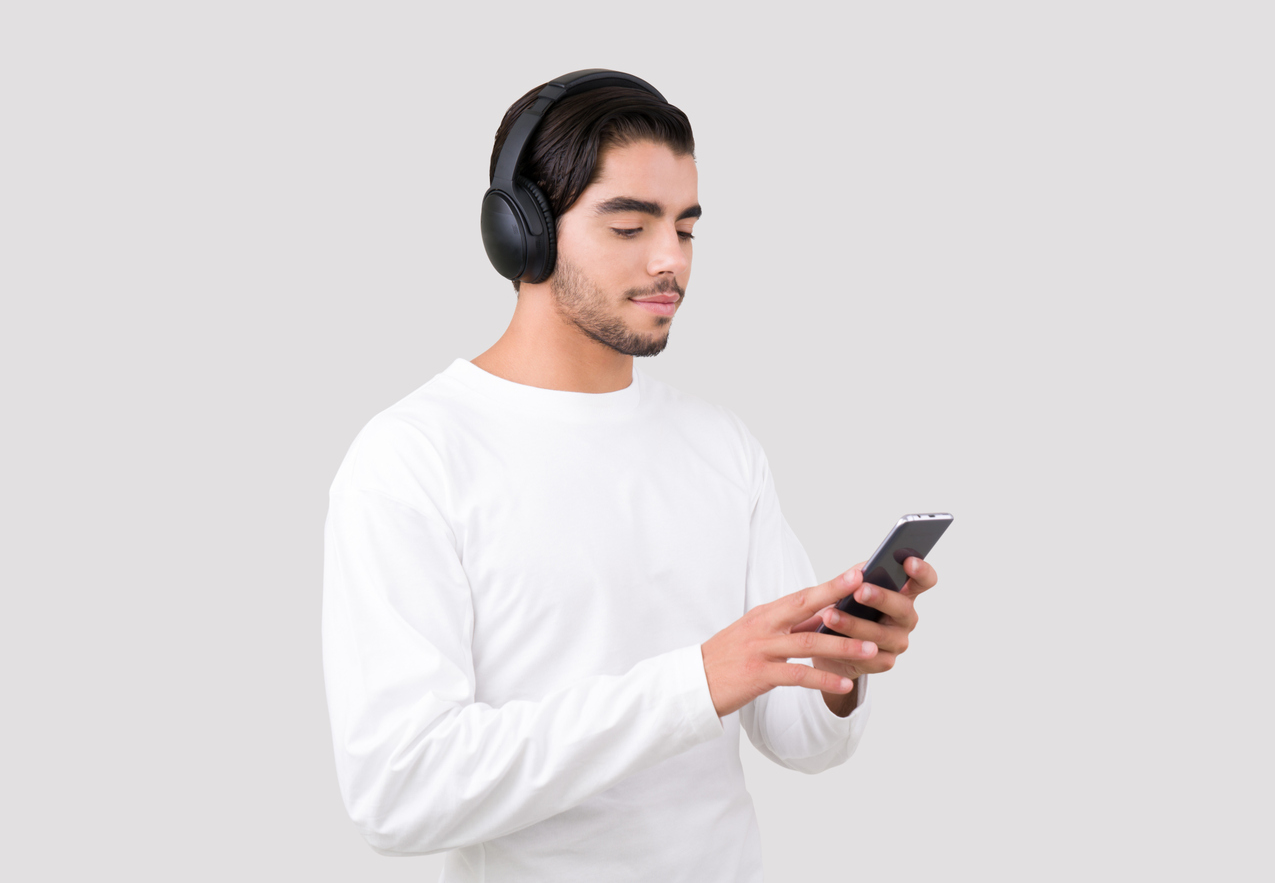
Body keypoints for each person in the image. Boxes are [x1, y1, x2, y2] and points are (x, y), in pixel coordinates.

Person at [322, 70, 939, 882]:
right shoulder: (413, 457)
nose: (668, 261)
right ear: (523, 234)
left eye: (685, 228)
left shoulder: (720, 446)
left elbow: (801, 741)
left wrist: (838, 675)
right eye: (628, 226)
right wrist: (694, 683)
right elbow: (399, 793)